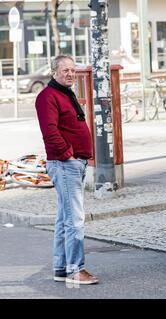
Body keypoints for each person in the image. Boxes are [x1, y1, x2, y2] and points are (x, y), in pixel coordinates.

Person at [35, 55, 99, 285]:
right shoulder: (47, 97)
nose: (70, 74)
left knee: (65, 219)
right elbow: (50, 133)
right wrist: (68, 155)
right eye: (65, 70)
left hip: (73, 163)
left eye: (73, 70)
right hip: (65, 164)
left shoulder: (65, 92)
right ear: (54, 72)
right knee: (75, 219)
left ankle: (62, 268)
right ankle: (76, 269)